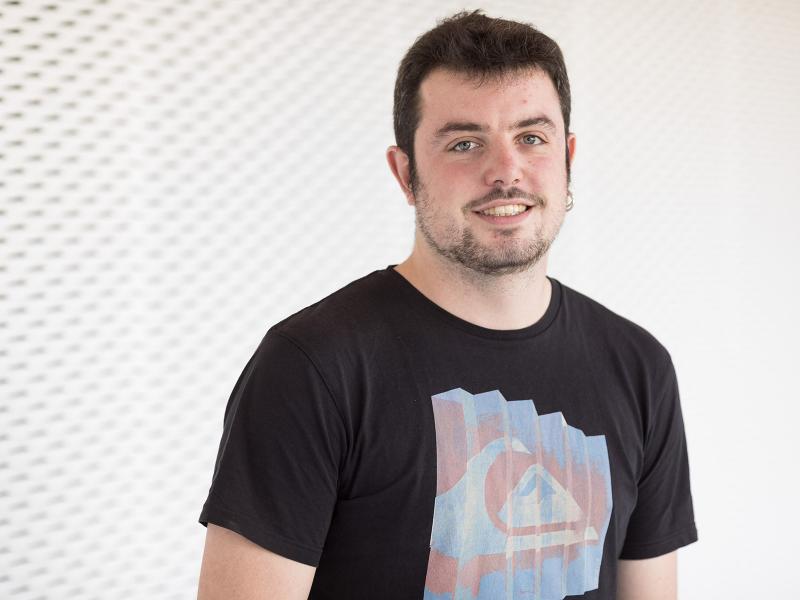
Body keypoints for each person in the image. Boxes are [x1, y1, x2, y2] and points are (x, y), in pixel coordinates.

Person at [196, 9, 698, 600]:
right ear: (405, 173)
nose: (505, 171)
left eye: (531, 138)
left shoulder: (639, 366)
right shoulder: (314, 367)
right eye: (465, 143)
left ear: (567, 157)